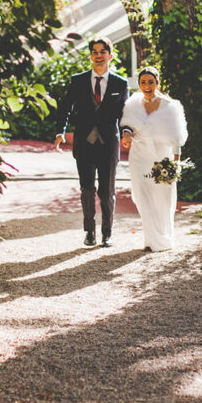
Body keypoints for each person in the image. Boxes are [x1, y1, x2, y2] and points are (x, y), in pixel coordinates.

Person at [54, 36, 129, 247]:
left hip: (109, 144)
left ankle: (107, 233)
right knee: (87, 189)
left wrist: (126, 132)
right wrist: (61, 131)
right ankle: (89, 233)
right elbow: (65, 107)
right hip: (84, 144)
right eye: (94, 52)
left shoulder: (120, 84)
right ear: (91, 56)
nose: (98, 55)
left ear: (110, 55)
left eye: (102, 51)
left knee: (107, 191)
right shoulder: (78, 81)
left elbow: (125, 114)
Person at [120, 66, 188, 251]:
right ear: (139, 84)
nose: (147, 85)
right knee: (143, 197)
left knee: (163, 198)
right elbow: (127, 125)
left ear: (157, 83)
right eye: (143, 82)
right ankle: (151, 240)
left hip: (163, 157)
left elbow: (177, 137)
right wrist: (126, 134)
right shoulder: (133, 103)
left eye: (151, 82)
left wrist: (176, 161)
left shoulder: (170, 106)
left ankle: (163, 238)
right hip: (139, 156)